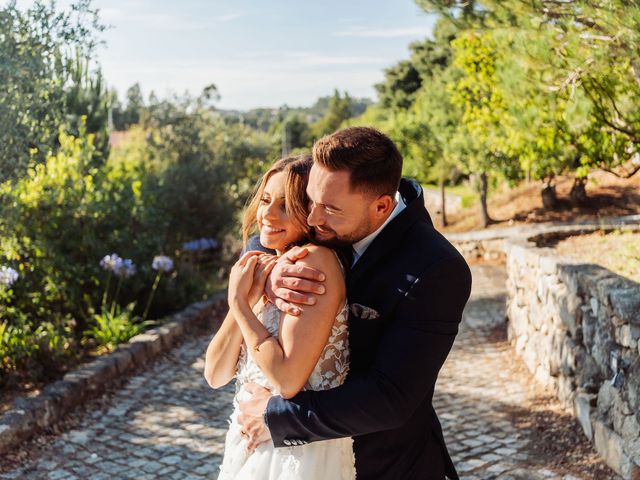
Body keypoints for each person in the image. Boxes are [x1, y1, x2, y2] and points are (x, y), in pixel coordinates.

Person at [237, 126, 472, 480]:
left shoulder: (437, 269)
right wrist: (270, 272)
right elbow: (266, 234)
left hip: (386, 465)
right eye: (311, 200)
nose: (313, 219)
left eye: (329, 208)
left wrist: (276, 417)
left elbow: (390, 398)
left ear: (382, 206)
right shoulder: (331, 214)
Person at [204, 154, 356, 479]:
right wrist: (244, 299)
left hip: (297, 452)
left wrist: (238, 302)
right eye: (266, 200)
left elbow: (287, 380)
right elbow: (215, 374)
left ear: (310, 213)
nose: (268, 215)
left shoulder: (313, 263)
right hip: (246, 446)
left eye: (285, 206)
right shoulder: (262, 265)